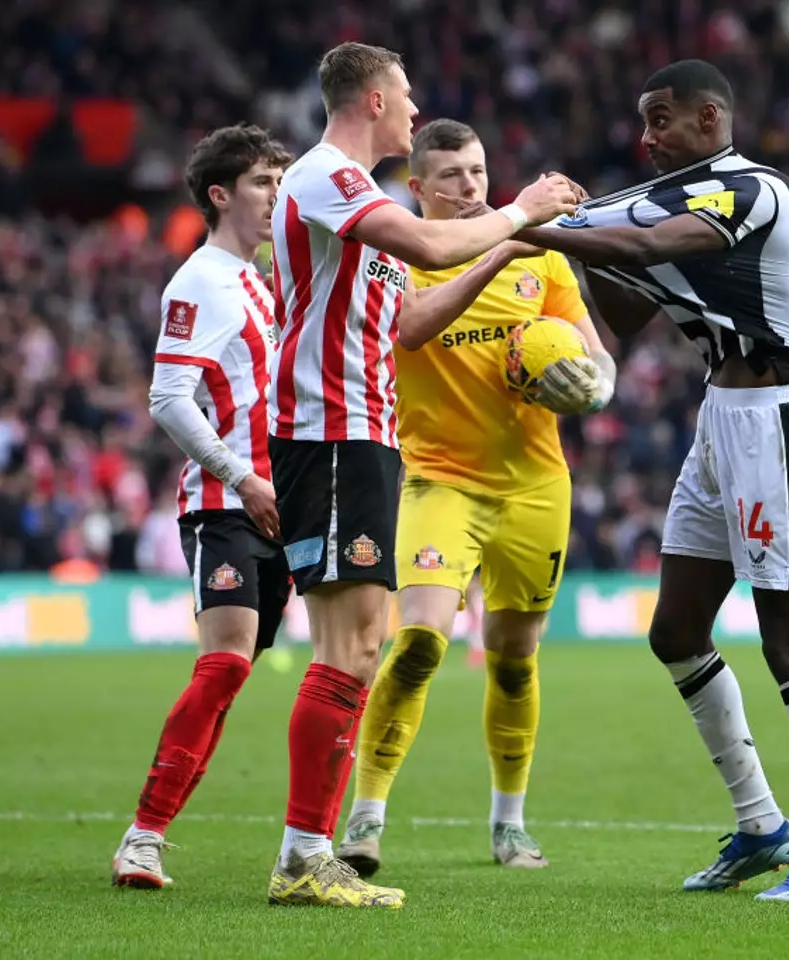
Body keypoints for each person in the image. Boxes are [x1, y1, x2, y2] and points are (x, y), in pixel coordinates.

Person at [516, 59, 789, 901]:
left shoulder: (747, 190)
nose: (646, 137)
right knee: (674, 630)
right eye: (643, 121)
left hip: (779, 414)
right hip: (720, 420)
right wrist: (572, 253)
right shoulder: (672, 200)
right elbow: (625, 310)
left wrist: (533, 228)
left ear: (710, 117)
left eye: (660, 119)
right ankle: (761, 826)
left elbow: (643, 243)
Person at [265, 41, 577, 909]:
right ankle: (304, 854)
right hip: (331, 429)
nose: (411, 110)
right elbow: (428, 249)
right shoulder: (329, 175)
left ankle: (313, 850)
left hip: (362, 435)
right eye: (403, 98)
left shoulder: (345, 187)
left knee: (358, 651)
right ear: (371, 101)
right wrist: (521, 213)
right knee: (353, 649)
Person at [334, 118, 616, 876]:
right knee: (420, 642)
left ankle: (509, 825)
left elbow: (597, 358)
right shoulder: (398, 257)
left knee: (514, 661)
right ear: (416, 188)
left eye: (479, 171)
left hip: (535, 485)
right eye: (452, 176)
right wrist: (501, 248)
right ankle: (365, 819)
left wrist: (587, 387)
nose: (470, 187)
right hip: (438, 480)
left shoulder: (544, 260)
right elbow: (412, 334)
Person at [111, 123, 292, 889]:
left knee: (238, 672)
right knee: (220, 667)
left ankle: (307, 842)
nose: (275, 197)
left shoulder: (258, 279)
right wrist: (240, 476)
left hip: (282, 508)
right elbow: (167, 397)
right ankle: (143, 837)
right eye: (261, 184)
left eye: (281, 184)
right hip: (226, 502)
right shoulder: (200, 281)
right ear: (220, 196)